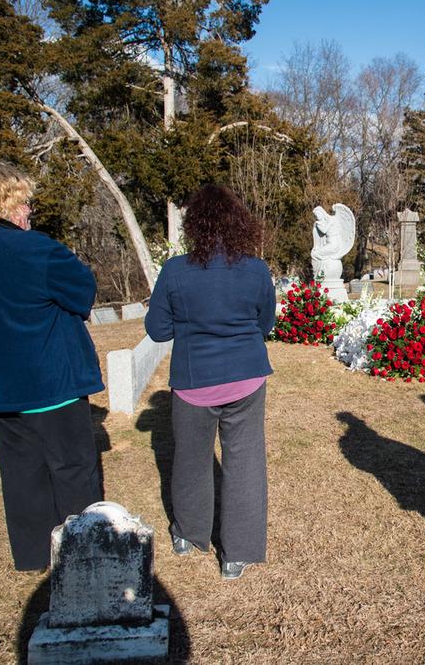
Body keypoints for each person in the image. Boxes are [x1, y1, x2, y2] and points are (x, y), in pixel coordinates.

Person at [0, 162, 103, 572]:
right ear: (10, 204)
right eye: (27, 201)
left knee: (21, 476)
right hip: (51, 381)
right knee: (73, 471)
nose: (31, 210)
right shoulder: (37, 249)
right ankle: (82, 552)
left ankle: (34, 556)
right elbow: (82, 292)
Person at [145, 184, 275, 581]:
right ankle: (238, 554)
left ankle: (188, 534)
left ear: (194, 226)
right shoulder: (256, 270)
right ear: (238, 223)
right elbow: (264, 323)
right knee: (245, 462)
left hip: (193, 381)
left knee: (191, 459)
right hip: (246, 379)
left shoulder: (175, 271)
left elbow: (157, 329)